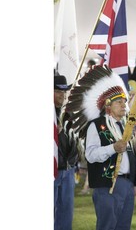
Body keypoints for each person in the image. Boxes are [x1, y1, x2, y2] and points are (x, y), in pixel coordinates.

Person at [78, 66, 136, 230]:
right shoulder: (96, 126)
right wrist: (113, 147)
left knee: (123, 226)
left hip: (126, 184)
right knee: (107, 226)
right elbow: (90, 155)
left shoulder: (126, 127)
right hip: (107, 185)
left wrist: (133, 181)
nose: (123, 105)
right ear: (108, 105)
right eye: (119, 102)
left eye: (125, 102)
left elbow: (131, 155)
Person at [54, 75, 79, 230]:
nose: (62, 95)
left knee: (66, 213)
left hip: (67, 169)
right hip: (53, 170)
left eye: (64, 92)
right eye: (57, 91)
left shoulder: (69, 115)